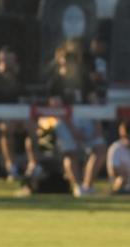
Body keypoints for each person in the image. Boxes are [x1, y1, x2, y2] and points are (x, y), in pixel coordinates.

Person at [48, 42, 105, 197]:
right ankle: (77, 186)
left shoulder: (85, 79)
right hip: (66, 121)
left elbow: (94, 103)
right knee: (70, 153)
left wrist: (97, 124)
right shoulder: (56, 82)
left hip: (86, 118)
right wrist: (73, 130)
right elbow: (57, 109)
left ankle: (88, 185)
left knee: (99, 150)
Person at [0, 46, 35, 180]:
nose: (9, 62)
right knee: (2, 128)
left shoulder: (19, 78)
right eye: (6, 59)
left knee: (31, 126)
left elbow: (24, 99)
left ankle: (34, 165)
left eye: (11, 59)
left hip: (16, 115)